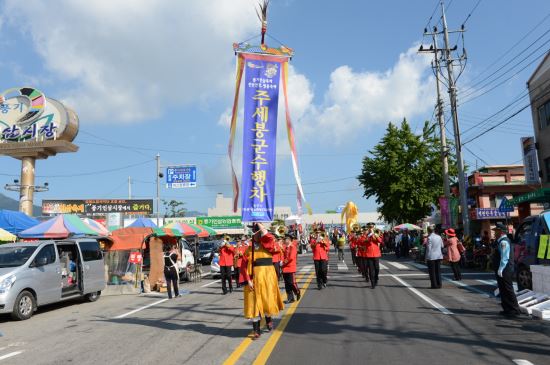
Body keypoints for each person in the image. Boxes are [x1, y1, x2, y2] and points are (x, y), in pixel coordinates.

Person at [239, 223, 284, 339]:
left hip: (267, 279)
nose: (257, 236)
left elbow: (269, 238)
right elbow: (243, 267)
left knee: (267, 301)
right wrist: (248, 281)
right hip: (253, 279)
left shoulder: (270, 246)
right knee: (254, 305)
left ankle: (268, 319)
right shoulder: (249, 249)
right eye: (255, 233)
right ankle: (256, 330)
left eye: (259, 233)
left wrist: (260, 225)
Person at [491, 223, 521, 317]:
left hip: (505, 269)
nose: (494, 233)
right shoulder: (499, 241)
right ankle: (507, 309)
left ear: (501, 232)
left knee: (508, 289)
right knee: (502, 289)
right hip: (502, 269)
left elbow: (505, 257)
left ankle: (515, 310)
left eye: (496, 231)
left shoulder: (504, 242)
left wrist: (500, 269)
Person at [282, 234, 301, 303]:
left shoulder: (293, 247)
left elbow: (291, 258)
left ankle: (297, 291)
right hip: (285, 268)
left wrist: (283, 262)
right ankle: (290, 298)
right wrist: (282, 261)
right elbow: (282, 256)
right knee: (287, 284)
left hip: (290, 267)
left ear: (289, 240)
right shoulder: (285, 248)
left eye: (285, 239)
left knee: (292, 282)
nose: (284, 240)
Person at [365, 224, 382, 289]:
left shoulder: (376, 234)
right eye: (370, 227)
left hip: (376, 254)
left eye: (372, 227)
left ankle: (376, 277)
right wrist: (370, 235)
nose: (371, 228)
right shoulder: (367, 235)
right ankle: (372, 283)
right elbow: (366, 241)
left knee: (377, 268)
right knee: (371, 270)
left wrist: (375, 235)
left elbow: (380, 241)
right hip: (369, 255)